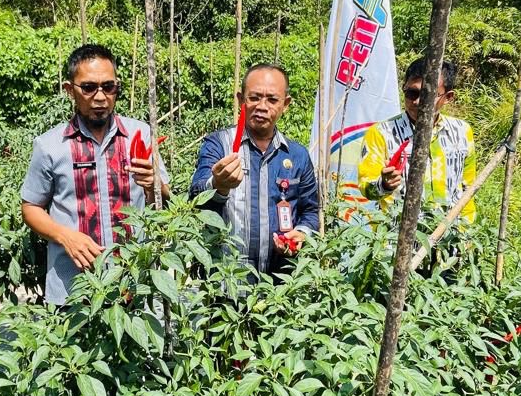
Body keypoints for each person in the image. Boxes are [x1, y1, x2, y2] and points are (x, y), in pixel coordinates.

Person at [21, 44, 169, 305]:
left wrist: (153, 185)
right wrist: (65, 236)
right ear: (70, 90)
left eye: (108, 87)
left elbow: (164, 200)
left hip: (135, 284)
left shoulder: (141, 134)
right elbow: (30, 207)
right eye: (88, 87)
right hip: (72, 288)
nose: (100, 97)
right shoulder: (50, 145)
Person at [190, 64, 319, 277]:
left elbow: (310, 211)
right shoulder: (219, 144)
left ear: (285, 104)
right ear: (241, 99)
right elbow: (195, 195)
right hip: (225, 280)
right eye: (254, 98)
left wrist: (301, 234)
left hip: (280, 283)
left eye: (272, 100)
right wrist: (217, 185)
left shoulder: (297, 155)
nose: (262, 106)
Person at [347, 57, 476, 221]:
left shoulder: (462, 132)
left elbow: (467, 189)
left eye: (427, 95)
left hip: (449, 233)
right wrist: (384, 184)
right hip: (397, 234)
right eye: (411, 93)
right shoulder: (381, 133)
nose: (417, 102)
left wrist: (465, 229)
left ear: (448, 97)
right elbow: (367, 188)